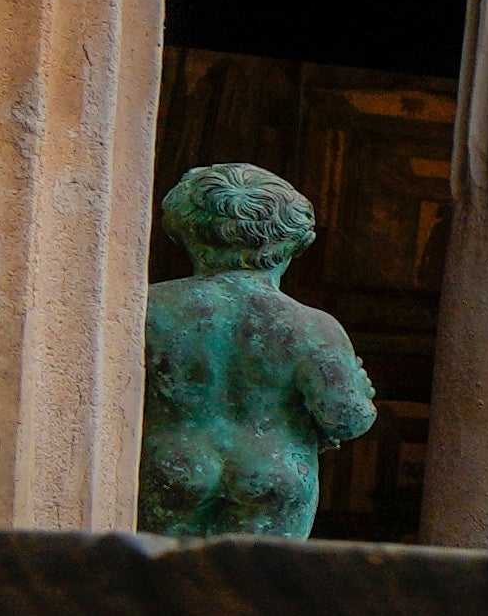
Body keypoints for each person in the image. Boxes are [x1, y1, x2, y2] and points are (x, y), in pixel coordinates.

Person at [133, 163, 376, 542]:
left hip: (171, 463)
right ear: (294, 241)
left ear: (183, 230)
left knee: (154, 592)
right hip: (275, 471)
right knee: (255, 594)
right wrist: (361, 391)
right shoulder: (312, 327)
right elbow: (347, 418)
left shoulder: (145, 308)